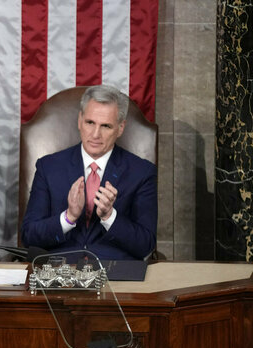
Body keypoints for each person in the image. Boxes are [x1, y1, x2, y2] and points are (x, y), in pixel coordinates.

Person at [19, 85, 157, 260]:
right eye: (90, 123)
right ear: (79, 121)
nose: (95, 134)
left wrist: (109, 216)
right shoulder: (49, 167)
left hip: (115, 276)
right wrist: (68, 217)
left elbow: (146, 245)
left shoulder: (142, 172)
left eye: (106, 126)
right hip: (59, 274)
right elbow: (29, 237)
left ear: (120, 128)